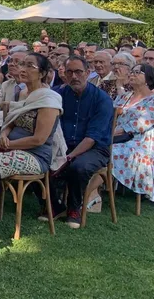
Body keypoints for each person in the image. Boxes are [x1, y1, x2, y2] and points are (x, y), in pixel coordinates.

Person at [0, 53, 66, 211]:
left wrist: (5, 146)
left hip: (36, 156)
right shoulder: (22, 94)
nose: (23, 69)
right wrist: (3, 135)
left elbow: (39, 139)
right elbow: (11, 122)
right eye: (22, 64)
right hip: (10, 148)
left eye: (30, 66)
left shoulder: (49, 99)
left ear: (42, 73)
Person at [51, 56, 114, 229]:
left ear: (87, 72)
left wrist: (68, 157)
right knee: (41, 160)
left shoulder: (102, 100)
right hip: (64, 145)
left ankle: (74, 208)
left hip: (95, 148)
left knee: (79, 167)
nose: (74, 76)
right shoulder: (58, 94)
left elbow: (92, 138)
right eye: (69, 72)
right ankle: (55, 205)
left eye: (78, 72)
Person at [112, 64, 154, 202]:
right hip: (119, 137)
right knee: (97, 148)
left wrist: (113, 132)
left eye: (137, 72)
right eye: (132, 72)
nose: (132, 74)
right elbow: (111, 115)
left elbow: (140, 125)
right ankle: (93, 192)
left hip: (143, 143)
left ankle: (91, 196)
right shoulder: (125, 97)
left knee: (109, 151)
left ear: (148, 78)